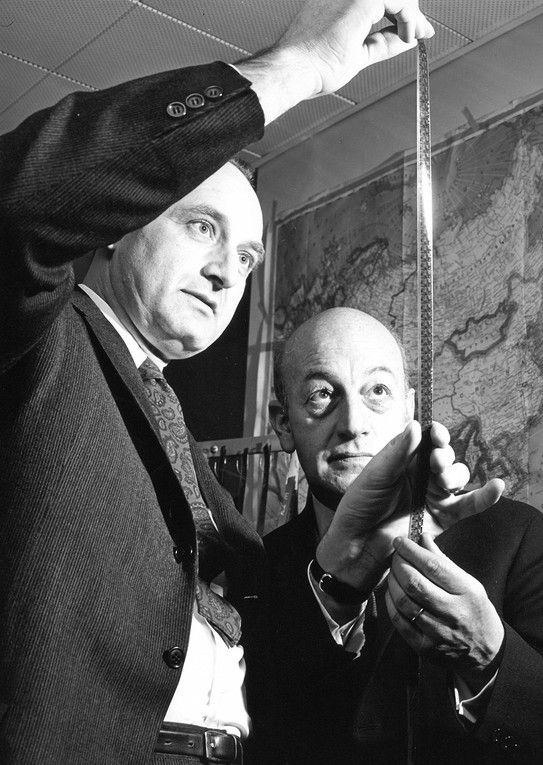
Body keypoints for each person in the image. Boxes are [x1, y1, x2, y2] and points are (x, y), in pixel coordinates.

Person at [0, 2, 443, 763]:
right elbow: (22, 205)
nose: (224, 273)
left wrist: (343, 564)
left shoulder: (181, 442)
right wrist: (294, 69)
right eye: (202, 227)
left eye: (245, 258)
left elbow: (262, 668)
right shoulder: (37, 337)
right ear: (117, 224)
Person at [263, 307, 543, 765]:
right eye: (321, 394)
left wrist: (489, 658)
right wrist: (335, 595)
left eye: (377, 390)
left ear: (409, 409)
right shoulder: (255, 568)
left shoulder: (519, 539)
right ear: (283, 424)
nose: (353, 422)